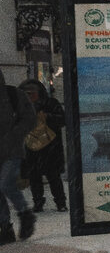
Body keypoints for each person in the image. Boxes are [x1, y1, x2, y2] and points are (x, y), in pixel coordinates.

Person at [1, 67, 37, 244]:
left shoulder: (13, 95)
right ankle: (5, 227)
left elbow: (30, 119)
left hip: (12, 150)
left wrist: (13, 136)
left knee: (5, 184)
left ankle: (25, 213)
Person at [18, 79, 67, 213]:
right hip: (31, 148)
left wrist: (48, 117)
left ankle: (60, 202)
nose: (29, 96)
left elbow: (62, 120)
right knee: (35, 178)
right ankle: (38, 202)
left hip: (50, 149)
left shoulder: (51, 104)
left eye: (32, 93)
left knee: (54, 177)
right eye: (26, 94)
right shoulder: (21, 106)